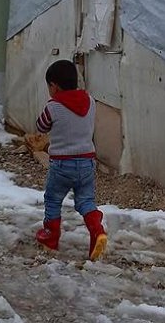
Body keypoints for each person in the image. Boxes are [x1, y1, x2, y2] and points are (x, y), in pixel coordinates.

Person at [34, 59, 107, 261]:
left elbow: (40, 127)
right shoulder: (90, 101)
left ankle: (51, 237)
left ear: (54, 86)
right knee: (85, 200)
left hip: (61, 165)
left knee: (53, 199)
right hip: (86, 163)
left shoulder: (53, 107)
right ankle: (97, 231)